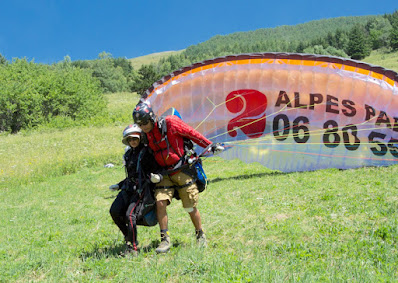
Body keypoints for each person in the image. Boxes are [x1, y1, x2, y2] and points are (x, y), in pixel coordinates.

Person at [132, 102, 223, 253]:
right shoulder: (145, 135)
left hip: (182, 169)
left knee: (189, 206)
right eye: (140, 125)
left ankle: (200, 235)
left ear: (151, 117)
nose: (144, 127)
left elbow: (191, 133)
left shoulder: (170, 123)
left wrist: (210, 145)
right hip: (164, 173)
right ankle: (165, 240)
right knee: (160, 203)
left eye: (145, 123)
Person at [109, 124, 160, 255]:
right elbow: (131, 175)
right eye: (130, 139)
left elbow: (153, 170)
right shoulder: (128, 154)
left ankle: (133, 247)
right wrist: (119, 185)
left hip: (141, 190)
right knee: (114, 211)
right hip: (128, 188)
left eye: (135, 138)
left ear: (140, 138)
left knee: (130, 215)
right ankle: (128, 236)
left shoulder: (147, 153)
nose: (133, 141)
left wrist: (156, 177)